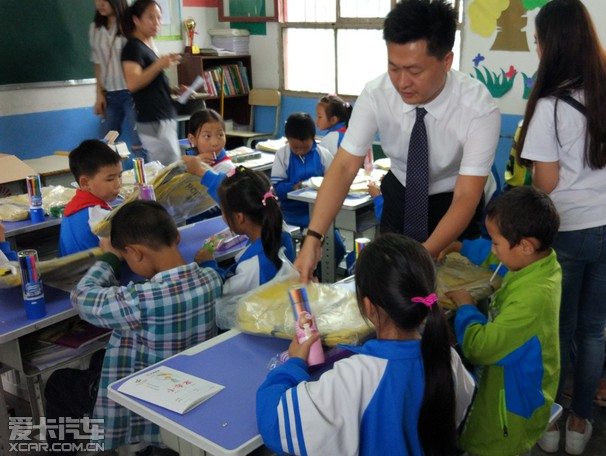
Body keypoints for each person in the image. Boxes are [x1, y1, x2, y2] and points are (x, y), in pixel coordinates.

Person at [295, 0, 500, 281]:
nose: (402, 82)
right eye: (394, 68)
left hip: (453, 206)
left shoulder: (478, 108)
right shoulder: (377, 94)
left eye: (415, 71)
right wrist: (313, 238)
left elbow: (467, 195)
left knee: (448, 297)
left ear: (447, 61)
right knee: (391, 291)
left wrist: (424, 254)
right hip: (400, 196)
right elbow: (343, 167)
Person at [257, 234, 475, 455]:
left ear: (368, 306)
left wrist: (293, 363)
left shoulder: (357, 376)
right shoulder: (447, 357)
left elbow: (274, 423)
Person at [514, 1, 606, 453]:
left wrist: (534, 176)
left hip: (569, 230)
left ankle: (549, 423)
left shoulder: (551, 104)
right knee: (593, 331)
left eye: (537, 39)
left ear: (551, 44)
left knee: (558, 331)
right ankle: (580, 423)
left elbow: (546, 182)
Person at [71, 200, 222, 450]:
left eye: (127, 256)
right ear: (176, 237)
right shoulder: (211, 279)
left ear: (137, 253)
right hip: (192, 392)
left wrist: (110, 257)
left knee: (59, 383)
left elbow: (81, 296)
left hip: (148, 406)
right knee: (97, 362)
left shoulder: (140, 300)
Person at [447, 186, 561, 455]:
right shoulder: (538, 264)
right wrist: (463, 246)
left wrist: (465, 309)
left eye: (496, 242)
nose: (494, 250)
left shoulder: (533, 298)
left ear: (525, 246)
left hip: (510, 407)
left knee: (492, 446)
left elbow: (481, 347)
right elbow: (497, 255)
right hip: (510, 385)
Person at [183, 159, 295, 298]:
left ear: (239, 217)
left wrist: (208, 264)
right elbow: (242, 194)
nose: (223, 216)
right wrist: (204, 173)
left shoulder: (253, 267)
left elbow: (219, 293)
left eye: (223, 211)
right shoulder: (278, 226)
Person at [270, 112, 345, 268]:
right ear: (288, 140)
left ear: (313, 139)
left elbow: (333, 182)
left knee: (337, 247)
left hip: (319, 213)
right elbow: (277, 187)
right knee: (285, 250)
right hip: (291, 214)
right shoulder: (282, 155)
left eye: (305, 147)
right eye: (295, 147)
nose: (300, 151)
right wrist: (293, 187)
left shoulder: (322, 154)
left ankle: (321, 275)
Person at [121, 0, 181, 165]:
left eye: (159, 18)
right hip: (154, 119)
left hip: (162, 116)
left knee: (171, 169)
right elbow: (133, 83)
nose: (157, 23)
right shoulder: (132, 47)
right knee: (168, 173)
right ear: (136, 20)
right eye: (151, 17)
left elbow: (150, 83)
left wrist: (174, 90)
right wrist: (160, 64)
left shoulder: (146, 45)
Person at [89, 0, 140, 152]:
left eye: (105, 0)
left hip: (132, 93)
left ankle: (148, 174)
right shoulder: (95, 28)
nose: (100, 4)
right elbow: (97, 63)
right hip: (109, 94)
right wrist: (99, 94)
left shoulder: (130, 25)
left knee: (139, 142)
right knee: (105, 144)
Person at [59, 139, 122, 257]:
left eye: (120, 176)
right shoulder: (98, 214)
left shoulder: (73, 207)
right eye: (110, 179)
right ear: (85, 183)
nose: (118, 184)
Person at [186, 109, 235, 175]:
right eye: (207, 136)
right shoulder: (187, 156)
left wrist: (199, 169)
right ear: (192, 139)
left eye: (220, 135)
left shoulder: (227, 168)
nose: (214, 143)